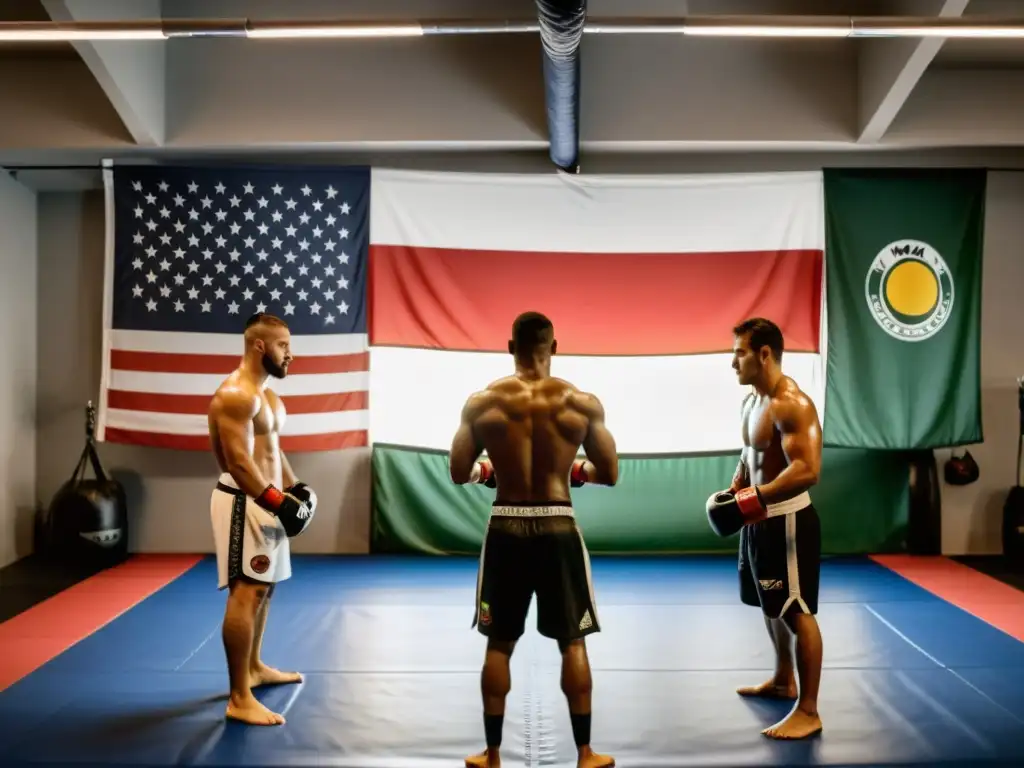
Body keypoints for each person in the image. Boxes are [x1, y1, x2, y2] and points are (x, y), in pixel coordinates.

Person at [449, 311, 618, 768]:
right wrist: (572, 470)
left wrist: (491, 470)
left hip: (505, 523)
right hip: (558, 523)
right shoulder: (581, 404)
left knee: (499, 644)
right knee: (574, 643)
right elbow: (610, 473)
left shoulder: (482, 402)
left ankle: (492, 753)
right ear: (554, 347)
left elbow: (458, 471)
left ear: (510, 347)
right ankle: (585, 754)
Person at [705, 317, 824, 740]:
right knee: (768, 602)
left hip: (787, 519)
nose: (732, 362)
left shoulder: (792, 403)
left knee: (796, 609)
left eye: (739, 352)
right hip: (757, 520)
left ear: (764, 353)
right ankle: (781, 679)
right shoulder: (751, 401)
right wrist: (738, 485)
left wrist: (754, 499)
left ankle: (808, 710)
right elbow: (750, 451)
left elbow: (807, 470)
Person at [207, 313, 318, 726]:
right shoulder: (237, 393)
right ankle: (239, 696)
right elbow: (237, 462)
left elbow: (271, 449)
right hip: (243, 502)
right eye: (284, 346)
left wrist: (296, 489)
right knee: (246, 591)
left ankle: (252, 668)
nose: (291, 354)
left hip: (266, 501)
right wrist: (277, 501)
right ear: (259, 346)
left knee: (265, 589)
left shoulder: (267, 397)